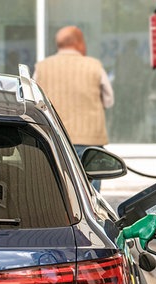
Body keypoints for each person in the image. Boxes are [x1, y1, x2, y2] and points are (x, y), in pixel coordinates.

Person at [34, 26, 114, 192]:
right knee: (90, 191)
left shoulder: (42, 67)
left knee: (58, 188)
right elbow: (108, 100)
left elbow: (34, 100)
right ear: (79, 43)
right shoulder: (94, 66)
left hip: (53, 137)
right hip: (89, 140)